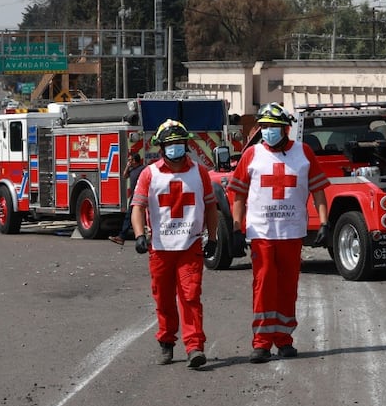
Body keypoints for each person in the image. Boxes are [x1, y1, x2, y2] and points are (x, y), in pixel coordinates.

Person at [228, 102, 329, 364]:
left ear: (285, 129)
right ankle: (261, 343)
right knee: (263, 286)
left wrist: (325, 223)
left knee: (287, 287)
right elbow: (237, 192)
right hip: (261, 234)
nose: (268, 131)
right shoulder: (251, 155)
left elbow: (318, 189)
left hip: (292, 233)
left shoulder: (303, 152)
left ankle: (284, 340)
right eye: (264, 127)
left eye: (273, 127)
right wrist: (237, 227)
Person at [131, 120, 218, 368]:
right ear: (161, 147)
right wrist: (139, 235)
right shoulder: (150, 174)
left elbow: (210, 207)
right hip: (160, 249)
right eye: (169, 144)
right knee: (164, 299)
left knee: (191, 297)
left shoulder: (199, 173)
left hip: (190, 247)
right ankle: (166, 342)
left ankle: (194, 347)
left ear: (185, 144)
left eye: (178, 143)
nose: (175, 148)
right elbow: (138, 207)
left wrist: (212, 238)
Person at [109, 152, 146, 245]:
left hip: (143, 195)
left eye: (130, 160)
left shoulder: (143, 169)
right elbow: (124, 176)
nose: (129, 162)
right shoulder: (132, 169)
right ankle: (121, 237)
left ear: (134, 160)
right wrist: (127, 167)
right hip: (135, 196)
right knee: (128, 217)